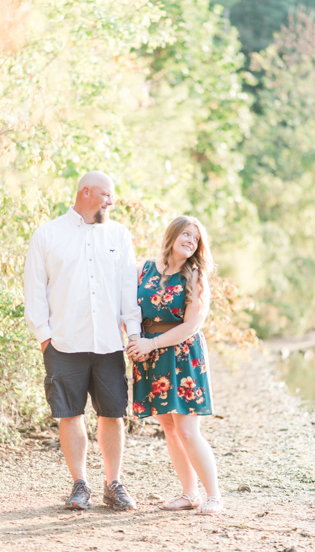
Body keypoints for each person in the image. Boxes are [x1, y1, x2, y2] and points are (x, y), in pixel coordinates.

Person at [23, 171, 142, 511]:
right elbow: (35, 291)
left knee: (112, 414)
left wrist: (132, 335)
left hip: (109, 343)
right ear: (85, 192)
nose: (111, 201)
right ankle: (80, 485)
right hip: (63, 342)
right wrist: (45, 338)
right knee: (70, 414)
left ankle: (113, 483)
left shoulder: (119, 235)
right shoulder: (48, 234)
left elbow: (126, 292)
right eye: (106, 194)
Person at [124, 215, 223, 515]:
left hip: (182, 354)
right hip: (148, 353)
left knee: (188, 429)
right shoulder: (144, 268)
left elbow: (192, 325)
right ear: (172, 235)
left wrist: (151, 343)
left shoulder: (196, 276)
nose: (191, 241)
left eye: (196, 239)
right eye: (187, 235)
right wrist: (134, 342)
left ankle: (215, 496)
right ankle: (189, 493)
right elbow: (127, 309)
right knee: (168, 426)